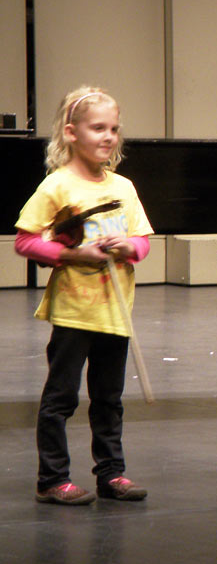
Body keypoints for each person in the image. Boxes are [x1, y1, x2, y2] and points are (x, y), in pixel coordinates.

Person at [14, 86, 152, 504]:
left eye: (114, 128)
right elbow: (25, 242)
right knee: (62, 397)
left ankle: (111, 473)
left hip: (116, 312)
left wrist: (129, 248)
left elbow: (143, 241)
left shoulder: (124, 187)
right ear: (72, 133)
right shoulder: (57, 186)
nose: (108, 136)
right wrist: (74, 254)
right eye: (98, 128)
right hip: (75, 311)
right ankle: (52, 479)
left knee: (109, 399)